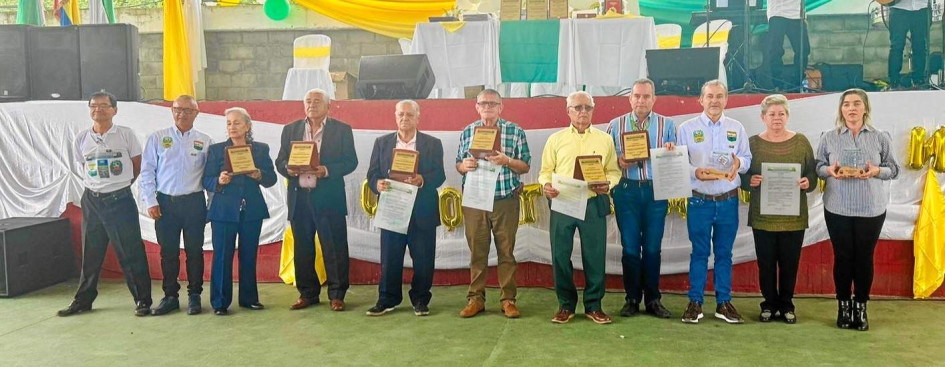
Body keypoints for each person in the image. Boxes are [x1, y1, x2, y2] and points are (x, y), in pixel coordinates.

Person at [58, 91, 153, 317]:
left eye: (103, 105)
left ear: (114, 110)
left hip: (119, 199)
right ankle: (83, 300)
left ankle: (143, 300)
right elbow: (83, 166)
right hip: (91, 200)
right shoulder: (82, 138)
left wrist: (120, 185)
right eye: (93, 106)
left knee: (130, 251)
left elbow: (137, 165)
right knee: (91, 252)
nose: (98, 109)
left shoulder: (125, 135)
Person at [816, 89, 900, 331]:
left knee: (864, 258)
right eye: (846, 104)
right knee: (842, 258)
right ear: (841, 109)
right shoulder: (829, 137)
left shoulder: (880, 137)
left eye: (856, 104)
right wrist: (828, 172)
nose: (851, 108)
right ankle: (843, 306)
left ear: (865, 109)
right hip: (837, 207)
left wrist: (877, 172)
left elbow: (894, 169)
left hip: (870, 209)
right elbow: (819, 166)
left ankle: (861, 307)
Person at [538, 91, 621, 325]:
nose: (582, 112)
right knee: (560, 254)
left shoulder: (605, 140)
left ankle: (594, 305)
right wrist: (546, 185)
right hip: (563, 201)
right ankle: (566, 305)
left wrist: (609, 183)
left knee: (595, 255)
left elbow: (614, 171)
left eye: (587, 107)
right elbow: (545, 171)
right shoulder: (555, 139)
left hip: (593, 202)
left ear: (593, 111)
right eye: (577, 107)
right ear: (568, 111)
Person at [676, 80, 752, 325]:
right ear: (701, 99)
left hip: (728, 201)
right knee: (699, 252)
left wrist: (738, 163)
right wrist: (694, 172)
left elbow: (746, 158)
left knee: (724, 254)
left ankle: (723, 302)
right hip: (699, 201)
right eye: (709, 96)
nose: (714, 101)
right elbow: (679, 162)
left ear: (726, 99)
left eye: (719, 96)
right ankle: (695, 302)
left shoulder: (736, 127)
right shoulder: (687, 128)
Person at [275, 88, 358, 312]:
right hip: (300, 198)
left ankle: (337, 294)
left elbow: (351, 162)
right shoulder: (290, 129)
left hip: (329, 197)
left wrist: (327, 170)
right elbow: (280, 161)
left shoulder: (342, 130)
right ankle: (307, 293)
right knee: (302, 248)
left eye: (317, 101)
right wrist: (288, 169)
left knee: (334, 247)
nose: (312, 104)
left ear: (328, 106)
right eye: (308, 101)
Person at [740, 94, 817, 324]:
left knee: (789, 263)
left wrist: (807, 183)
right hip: (763, 216)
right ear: (763, 117)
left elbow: (812, 173)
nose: (776, 118)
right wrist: (749, 181)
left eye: (781, 114)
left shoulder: (801, 141)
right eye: (772, 114)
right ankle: (768, 304)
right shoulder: (753, 143)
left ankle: (786, 305)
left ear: (788, 116)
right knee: (765, 264)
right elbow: (743, 174)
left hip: (793, 217)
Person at [455, 89, 531, 319]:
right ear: (476, 107)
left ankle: (508, 299)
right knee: (477, 251)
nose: (487, 107)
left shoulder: (515, 131)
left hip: (505, 199)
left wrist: (507, 161)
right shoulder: (468, 131)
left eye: (492, 103)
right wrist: (464, 165)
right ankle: (475, 298)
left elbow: (525, 165)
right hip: (475, 201)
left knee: (506, 252)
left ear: (501, 107)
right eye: (483, 103)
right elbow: (458, 163)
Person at [365, 100, 445, 317]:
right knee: (390, 257)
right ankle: (386, 299)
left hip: (422, 210)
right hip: (392, 208)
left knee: (424, 258)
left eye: (409, 115)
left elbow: (440, 175)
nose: (404, 118)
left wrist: (421, 179)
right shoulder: (382, 143)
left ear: (418, 117)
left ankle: (420, 299)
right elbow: (372, 174)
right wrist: (377, 184)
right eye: (401, 114)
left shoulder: (432, 143)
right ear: (395, 116)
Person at [605, 79, 675, 319]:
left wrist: (671, 150)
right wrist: (619, 161)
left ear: (654, 99)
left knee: (653, 248)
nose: (641, 100)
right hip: (627, 191)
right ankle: (632, 298)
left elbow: (678, 158)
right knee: (631, 249)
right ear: (630, 98)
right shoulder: (615, 125)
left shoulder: (668, 125)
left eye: (646, 96)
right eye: (637, 96)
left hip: (657, 191)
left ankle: (653, 299)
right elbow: (606, 160)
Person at [139, 95, 212, 316]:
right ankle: (170, 296)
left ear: (196, 114)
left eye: (188, 110)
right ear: (172, 111)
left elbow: (209, 175)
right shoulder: (157, 138)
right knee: (168, 252)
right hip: (165, 204)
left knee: (194, 251)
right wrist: (150, 201)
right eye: (178, 109)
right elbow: (147, 172)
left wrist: (211, 205)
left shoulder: (205, 140)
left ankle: (195, 295)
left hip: (194, 203)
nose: (182, 114)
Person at [202, 107, 277, 316]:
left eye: (236, 123)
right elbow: (205, 179)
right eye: (228, 123)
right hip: (223, 210)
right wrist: (219, 180)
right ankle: (219, 302)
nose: (232, 127)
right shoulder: (216, 150)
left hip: (251, 210)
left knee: (249, 255)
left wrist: (258, 174)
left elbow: (271, 179)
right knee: (222, 256)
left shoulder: (261, 149)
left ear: (248, 126)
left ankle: (249, 299)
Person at [761, 0, 809, 91]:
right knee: (775, 50)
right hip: (777, 12)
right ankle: (778, 84)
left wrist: (804, 16)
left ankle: (797, 83)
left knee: (803, 49)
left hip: (797, 13)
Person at [888, 0, 931, 89]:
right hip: (899, 8)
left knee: (920, 45)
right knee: (896, 46)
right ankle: (894, 82)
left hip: (921, 7)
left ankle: (918, 81)